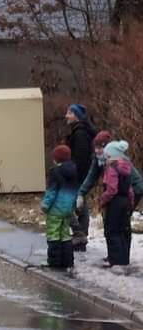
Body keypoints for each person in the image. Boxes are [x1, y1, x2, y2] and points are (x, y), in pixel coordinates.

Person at [64, 103, 97, 250]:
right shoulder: (79, 131)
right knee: (80, 207)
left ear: (76, 116)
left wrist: (73, 176)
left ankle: (79, 236)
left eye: (69, 113)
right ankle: (80, 239)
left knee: (69, 206)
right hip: (79, 176)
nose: (66, 116)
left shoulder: (80, 134)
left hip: (78, 177)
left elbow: (81, 160)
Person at [99, 141, 136, 268]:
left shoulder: (112, 169)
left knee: (112, 231)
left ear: (111, 156)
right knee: (124, 231)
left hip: (114, 203)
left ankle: (115, 261)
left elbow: (111, 189)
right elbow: (130, 189)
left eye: (107, 156)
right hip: (125, 201)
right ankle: (124, 259)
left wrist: (102, 200)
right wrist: (130, 203)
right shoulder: (127, 167)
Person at [41, 145, 78, 270]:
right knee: (65, 234)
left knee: (53, 234)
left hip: (56, 209)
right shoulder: (74, 171)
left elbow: (52, 191)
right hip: (68, 209)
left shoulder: (55, 172)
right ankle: (68, 261)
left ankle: (54, 261)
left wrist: (45, 205)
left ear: (56, 159)